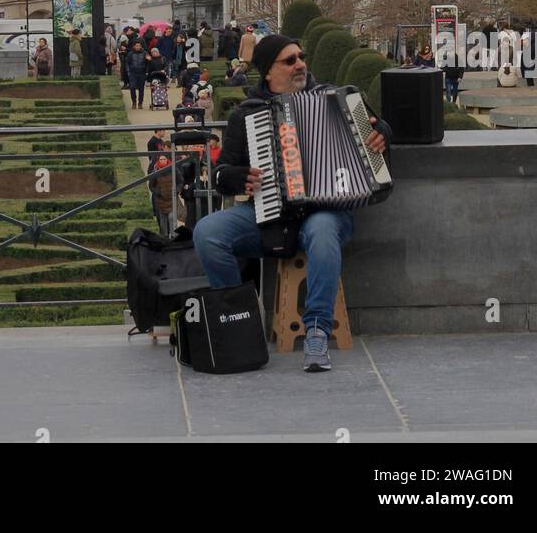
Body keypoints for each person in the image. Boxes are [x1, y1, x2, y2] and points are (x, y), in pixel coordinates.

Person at [193, 34, 391, 374]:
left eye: (301, 56)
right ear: (269, 72)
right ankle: (240, 320)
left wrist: (382, 132)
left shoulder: (334, 99)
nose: (300, 64)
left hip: (326, 211)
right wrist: (238, 177)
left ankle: (316, 331)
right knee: (207, 232)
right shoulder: (248, 114)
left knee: (324, 228)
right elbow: (221, 173)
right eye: (289, 60)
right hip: (271, 217)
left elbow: (378, 127)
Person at [126, 39, 147, 109]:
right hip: (133, 73)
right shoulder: (130, 54)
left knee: (141, 89)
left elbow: (148, 62)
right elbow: (127, 63)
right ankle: (134, 102)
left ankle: (140, 103)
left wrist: (146, 71)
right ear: (134, 46)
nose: (138, 47)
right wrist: (128, 72)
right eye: (136, 46)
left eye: (139, 46)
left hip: (142, 73)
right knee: (132, 88)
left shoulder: (144, 53)